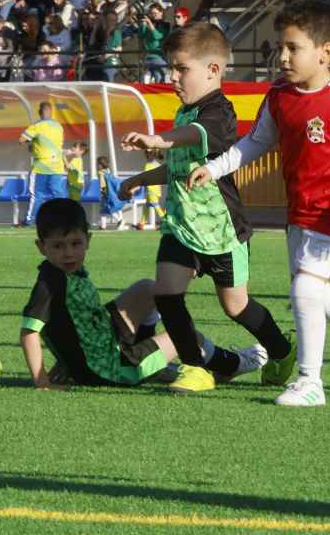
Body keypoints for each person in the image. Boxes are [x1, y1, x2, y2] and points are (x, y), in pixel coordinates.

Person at [190, 0, 330, 407]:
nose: (282, 56)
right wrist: (215, 169)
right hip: (300, 212)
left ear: (325, 52)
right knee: (310, 291)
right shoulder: (280, 95)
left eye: (293, 47)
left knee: (306, 288)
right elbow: (256, 142)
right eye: (279, 47)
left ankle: (310, 382)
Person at [117, 24, 293, 393]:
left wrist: (155, 139)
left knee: (236, 306)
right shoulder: (184, 113)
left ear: (213, 70)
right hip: (182, 227)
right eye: (171, 69)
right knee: (166, 292)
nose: (173, 77)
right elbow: (180, 164)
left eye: (182, 69)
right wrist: (140, 181)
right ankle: (195, 367)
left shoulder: (219, 112)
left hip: (222, 231)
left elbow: (196, 136)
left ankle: (280, 350)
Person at [20, 200, 207, 389]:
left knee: (147, 289)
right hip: (111, 370)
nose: (68, 253)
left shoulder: (63, 272)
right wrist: (41, 380)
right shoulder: (50, 283)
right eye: (58, 246)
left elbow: (68, 327)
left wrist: (66, 361)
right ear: (41, 247)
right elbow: (29, 332)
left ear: (88, 240)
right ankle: (230, 364)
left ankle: (154, 361)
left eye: (75, 243)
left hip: (107, 344)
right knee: (186, 335)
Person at [20, 101, 67, 227]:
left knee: (37, 195)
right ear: (51, 112)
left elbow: (22, 140)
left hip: (41, 167)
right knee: (58, 194)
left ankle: (30, 220)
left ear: (39, 112)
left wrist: (31, 144)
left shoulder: (37, 126)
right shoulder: (58, 126)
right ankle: (64, 219)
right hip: (57, 166)